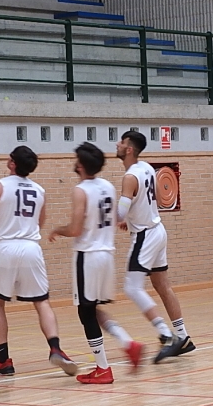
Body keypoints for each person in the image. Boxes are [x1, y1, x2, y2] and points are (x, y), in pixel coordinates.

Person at [0, 146, 78, 377]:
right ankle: (55, 348)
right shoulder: (40, 190)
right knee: (42, 302)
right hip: (31, 247)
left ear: (13, 163)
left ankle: (4, 360)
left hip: (5, 247)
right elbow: (39, 224)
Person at [48, 143, 144, 384]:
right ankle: (127, 343)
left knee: (85, 312)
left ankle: (103, 368)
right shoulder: (108, 186)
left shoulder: (81, 190)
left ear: (80, 165)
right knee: (93, 309)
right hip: (107, 255)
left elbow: (75, 229)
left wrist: (58, 230)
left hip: (88, 256)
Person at [115, 130, 191, 363]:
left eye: (121, 142)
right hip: (158, 229)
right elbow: (156, 197)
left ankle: (167, 335)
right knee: (162, 285)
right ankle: (183, 336)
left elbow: (120, 213)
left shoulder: (130, 177)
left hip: (145, 236)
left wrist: (111, 217)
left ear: (129, 149)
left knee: (132, 288)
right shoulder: (147, 168)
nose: (117, 144)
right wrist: (133, 217)